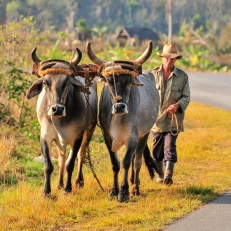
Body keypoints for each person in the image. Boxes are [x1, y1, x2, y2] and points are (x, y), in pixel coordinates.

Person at [150, 43, 190, 185]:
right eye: (166, 57)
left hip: (173, 120)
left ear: (176, 59)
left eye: (172, 58)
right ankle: (160, 174)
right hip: (156, 120)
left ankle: (168, 174)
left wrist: (177, 105)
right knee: (156, 150)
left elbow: (186, 96)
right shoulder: (152, 75)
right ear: (162, 58)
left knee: (170, 146)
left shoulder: (183, 76)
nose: (169, 60)